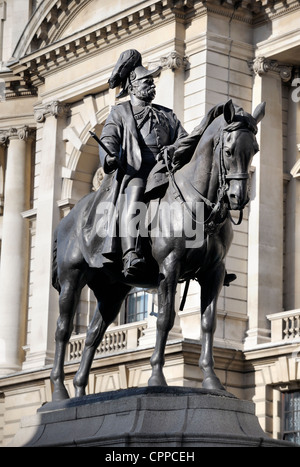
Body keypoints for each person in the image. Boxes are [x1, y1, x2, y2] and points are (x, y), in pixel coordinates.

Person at [99, 49, 188, 278]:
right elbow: (109, 138)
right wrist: (109, 156)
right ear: (132, 84)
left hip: (166, 169)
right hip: (137, 170)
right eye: (146, 81)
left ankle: (205, 252)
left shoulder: (167, 115)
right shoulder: (120, 112)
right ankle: (130, 252)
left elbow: (185, 140)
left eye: (152, 80)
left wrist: (174, 149)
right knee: (136, 190)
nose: (152, 84)